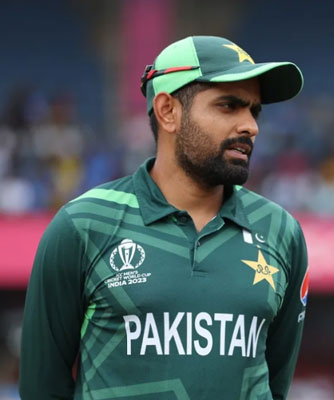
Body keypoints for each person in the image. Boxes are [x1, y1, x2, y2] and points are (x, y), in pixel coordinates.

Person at [20, 36, 310, 399]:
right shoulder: (83, 225)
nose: (250, 126)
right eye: (228, 106)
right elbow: (40, 387)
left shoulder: (281, 231)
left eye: (254, 110)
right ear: (168, 110)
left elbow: (275, 385)